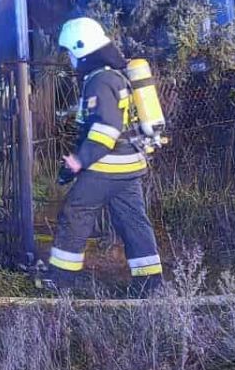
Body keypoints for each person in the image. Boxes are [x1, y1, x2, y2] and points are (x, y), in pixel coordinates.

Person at [45, 16, 163, 294]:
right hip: (130, 164)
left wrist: (77, 162)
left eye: (70, 52)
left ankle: (60, 283)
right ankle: (150, 284)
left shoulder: (100, 81)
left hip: (107, 167)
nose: (69, 58)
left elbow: (106, 130)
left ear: (81, 48)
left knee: (76, 212)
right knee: (134, 222)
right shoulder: (116, 74)